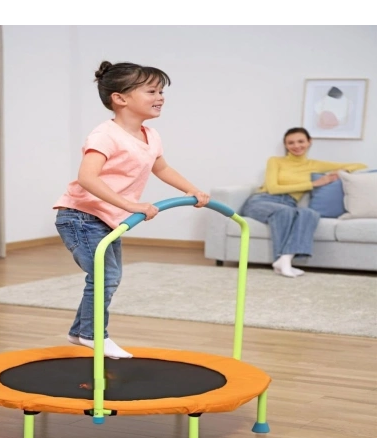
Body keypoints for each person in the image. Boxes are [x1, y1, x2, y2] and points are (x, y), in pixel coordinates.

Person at [53, 60, 210, 359]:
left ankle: (79, 331)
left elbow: (161, 168)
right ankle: (91, 334)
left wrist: (191, 189)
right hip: (81, 216)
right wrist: (131, 205)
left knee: (109, 276)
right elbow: (87, 177)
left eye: (161, 91)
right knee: (106, 275)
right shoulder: (105, 135)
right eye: (151, 91)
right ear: (120, 98)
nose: (160, 97)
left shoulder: (151, 136)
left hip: (107, 220)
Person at [241, 127, 366, 278]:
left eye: (301, 141)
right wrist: (314, 184)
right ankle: (282, 262)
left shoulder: (314, 164)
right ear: (286, 145)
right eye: (291, 143)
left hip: (289, 204)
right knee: (285, 212)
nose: (296, 146)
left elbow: (360, 166)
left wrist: (340, 172)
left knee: (310, 213)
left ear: (309, 142)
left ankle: (285, 259)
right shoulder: (275, 161)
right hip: (262, 200)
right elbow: (273, 188)